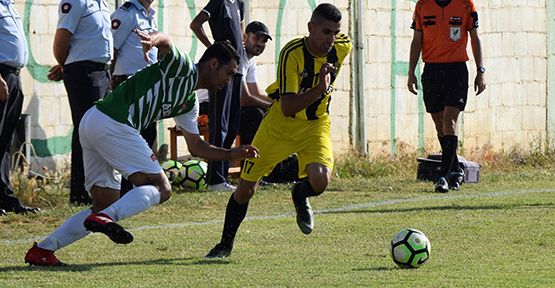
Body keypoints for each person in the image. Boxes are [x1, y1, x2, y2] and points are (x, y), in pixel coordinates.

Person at [24, 33, 259, 266]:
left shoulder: (189, 102)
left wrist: (231, 154)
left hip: (93, 122)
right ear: (214, 63)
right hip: (113, 121)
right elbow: (166, 42)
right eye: (229, 73)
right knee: (161, 188)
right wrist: (154, 40)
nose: (229, 81)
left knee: (104, 203)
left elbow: (196, 146)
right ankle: (105, 218)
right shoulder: (185, 68)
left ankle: (43, 250)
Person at [205, 3, 352, 259]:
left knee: (320, 180)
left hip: (315, 124)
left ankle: (299, 192)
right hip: (279, 126)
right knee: (246, 188)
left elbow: (342, 41)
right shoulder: (292, 53)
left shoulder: (342, 46)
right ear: (311, 28)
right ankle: (224, 244)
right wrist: (319, 89)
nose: (331, 39)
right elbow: (286, 106)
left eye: (335, 32)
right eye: (326, 32)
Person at [407, 0, 485, 193]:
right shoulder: (422, 6)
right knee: (439, 122)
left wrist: (480, 71)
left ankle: (443, 175)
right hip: (432, 70)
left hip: (456, 70)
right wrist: (411, 72)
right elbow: (417, 40)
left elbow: (474, 38)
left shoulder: (465, 5)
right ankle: (456, 169)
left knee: (449, 120)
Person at [47, 0, 113, 205]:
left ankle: (98, 186)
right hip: (85, 72)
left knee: (99, 130)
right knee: (86, 129)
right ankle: (80, 192)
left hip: (102, 71)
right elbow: (61, 42)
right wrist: (68, 65)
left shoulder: (102, 4)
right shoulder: (76, 1)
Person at [190, 0, 245, 192]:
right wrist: (213, 48)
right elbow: (196, 24)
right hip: (223, 71)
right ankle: (215, 179)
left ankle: (223, 175)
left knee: (232, 125)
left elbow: (239, 32)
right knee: (218, 124)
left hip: (238, 70)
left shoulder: (239, 3)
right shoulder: (219, 2)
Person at [110, 0, 158, 196]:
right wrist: (110, 81)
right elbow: (111, 47)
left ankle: (143, 183)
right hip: (128, 80)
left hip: (148, 82)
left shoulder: (151, 14)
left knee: (148, 135)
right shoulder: (126, 14)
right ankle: (124, 187)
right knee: (129, 135)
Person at [0, 0, 39, 215]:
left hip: (13, 76)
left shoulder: (9, 5)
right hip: (1, 75)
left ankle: (4, 197)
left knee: (5, 140)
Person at [238, 21, 273, 145]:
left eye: (263, 41)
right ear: (245, 37)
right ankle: (248, 161)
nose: (259, 43)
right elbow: (244, 99)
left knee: (269, 114)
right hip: (207, 106)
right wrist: (272, 108)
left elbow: (256, 93)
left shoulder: (251, 60)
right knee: (256, 115)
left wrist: (280, 105)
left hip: (230, 106)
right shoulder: (238, 56)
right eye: (256, 38)